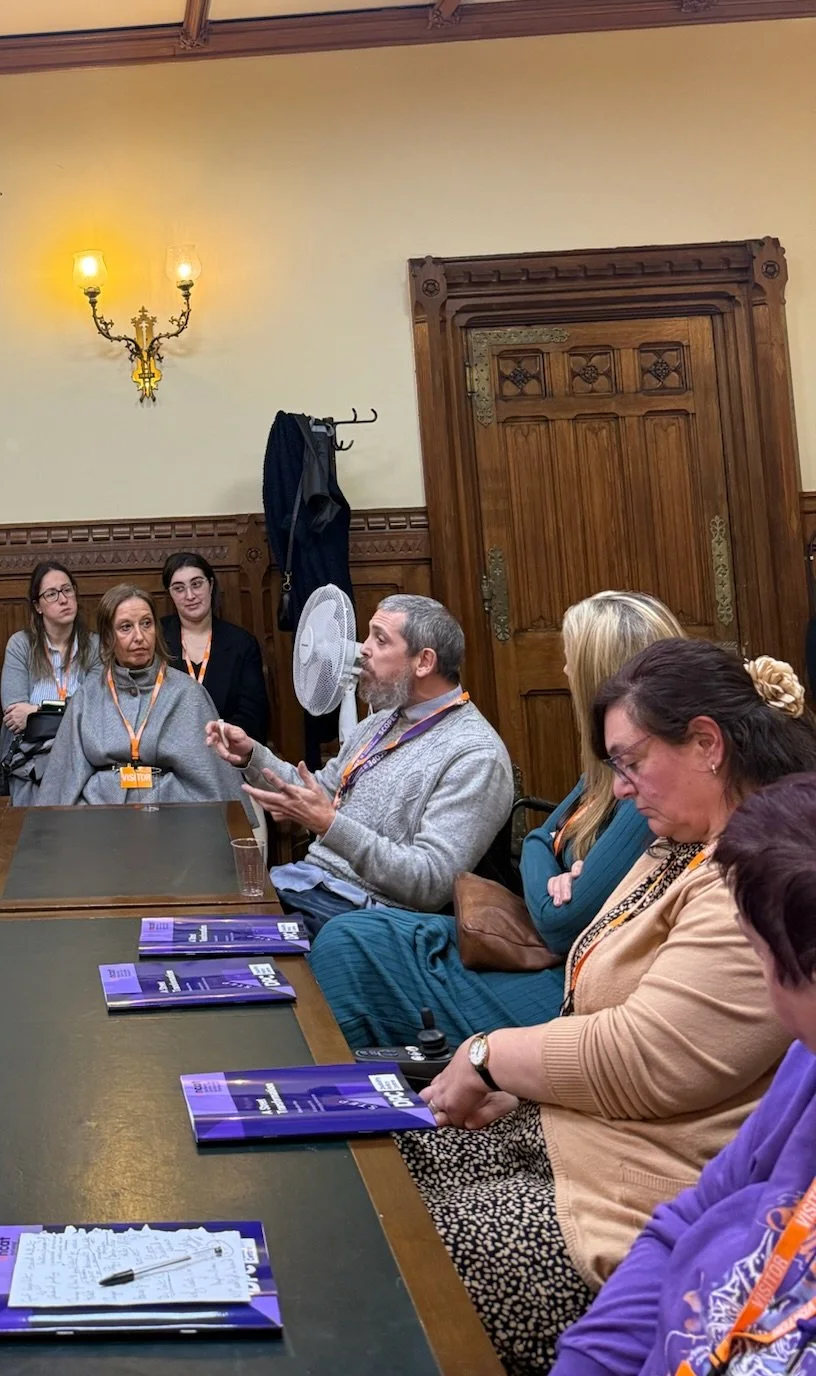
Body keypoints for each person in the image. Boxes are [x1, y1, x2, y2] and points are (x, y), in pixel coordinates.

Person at [399, 641, 816, 1376]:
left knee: (400, 1252)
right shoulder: (676, 849)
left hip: (619, 1197)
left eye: (631, 761)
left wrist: (491, 1057)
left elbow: (645, 1058)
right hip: (579, 1145)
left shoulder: (756, 879)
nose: (620, 789)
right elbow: (585, 995)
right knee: (385, 1148)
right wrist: (511, 1073)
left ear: (708, 744)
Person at [312, 589, 679, 1047]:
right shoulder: (607, 768)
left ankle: (349, 1097)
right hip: (534, 941)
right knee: (354, 936)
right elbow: (537, 841)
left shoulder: (648, 780)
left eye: (570, 660)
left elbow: (560, 922)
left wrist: (556, 882)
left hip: (570, 982)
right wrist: (556, 872)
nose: (563, 671)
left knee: (349, 947)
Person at [551, 771, 816, 1376]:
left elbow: (642, 1056)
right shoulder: (806, 1064)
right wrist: (586, 1360)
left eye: (757, 956)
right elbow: (685, 1220)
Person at [207, 594, 513, 935]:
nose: (362, 648)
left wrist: (330, 825)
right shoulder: (381, 722)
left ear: (424, 662)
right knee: (194, 917)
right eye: (368, 635)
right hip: (309, 889)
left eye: (379, 639)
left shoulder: (475, 754)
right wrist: (252, 754)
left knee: (216, 949)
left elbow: (430, 883)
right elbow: (319, 794)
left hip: (369, 921)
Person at [35, 584, 245, 807]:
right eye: (126, 627)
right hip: (101, 815)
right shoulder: (88, 696)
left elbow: (212, 782)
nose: (139, 636)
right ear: (107, 639)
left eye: (146, 624)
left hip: (173, 815)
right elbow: (62, 782)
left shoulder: (187, 693)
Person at [0, 562, 99, 803]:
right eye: (52, 594)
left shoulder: (96, 646)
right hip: (29, 757)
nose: (63, 599)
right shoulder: (20, 645)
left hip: (81, 755)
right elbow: (14, 715)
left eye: (67, 590)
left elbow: (95, 711)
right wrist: (71, 712)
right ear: (37, 606)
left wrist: (37, 711)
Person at [159, 550, 269, 742]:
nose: (190, 595)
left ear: (210, 585)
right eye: (179, 588)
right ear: (170, 594)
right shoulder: (156, 639)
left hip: (225, 752)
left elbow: (253, 716)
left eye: (196, 584)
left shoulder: (242, 644)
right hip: (169, 753)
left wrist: (217, 740)